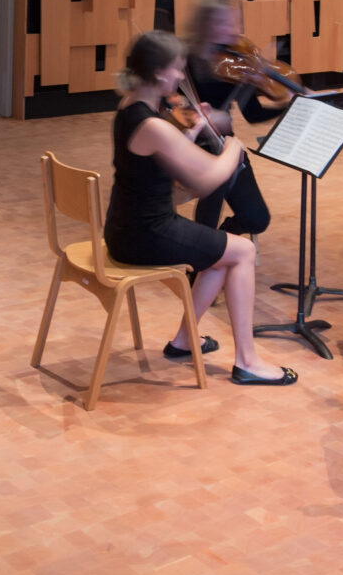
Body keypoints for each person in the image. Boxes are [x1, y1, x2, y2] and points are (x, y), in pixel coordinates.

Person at [103, 28, 297, 386]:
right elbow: (206, 179)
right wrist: (233, 148)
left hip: (127, 225)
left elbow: (168, 157)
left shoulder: (131, 105)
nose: (181, 77)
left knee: (218, 252)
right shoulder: (152, 124)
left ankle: (182, 341)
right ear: (160, 72)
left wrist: (191, 133)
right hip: (144, 233)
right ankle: (248, 361)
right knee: (242, 252)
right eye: (177, 70)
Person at [184, 0, 287, 242]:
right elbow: (167, 107)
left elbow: (252, 114)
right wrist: (203, 119)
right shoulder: (182, 60)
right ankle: (200, 261)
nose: (234, 28)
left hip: (225, 146)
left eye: (235, 21)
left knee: (257, 218)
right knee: (214, 184)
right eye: (224, 22)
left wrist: (289, 104)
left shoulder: (235, 61)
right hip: (186, 145)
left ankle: (215, 244)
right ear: (205, 25)